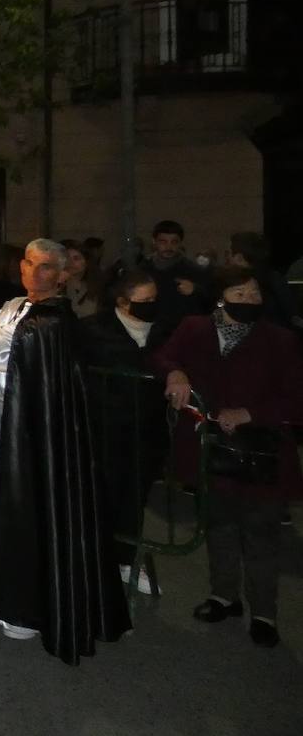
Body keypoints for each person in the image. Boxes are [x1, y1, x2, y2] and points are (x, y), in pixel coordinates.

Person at [0, 239, 130, 663]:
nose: (37, 274)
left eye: (47, 267)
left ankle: (22, 607)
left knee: (25, 511)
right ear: (21, 267)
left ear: (62, 274)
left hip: (33, 433)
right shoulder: (15, 306)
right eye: (31, 265)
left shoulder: (51, 321)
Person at [154, 266, 303, 648]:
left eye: (255, 294)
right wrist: (175, 374)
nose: (250, 301)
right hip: (211, 449)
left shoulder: (280, 339)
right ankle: (224, 596)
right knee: (218, 526)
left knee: (261, 533)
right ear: (221, 298)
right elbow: (165, 357)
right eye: (241, 294)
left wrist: (251, 414)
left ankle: (264, 612)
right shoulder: (194, 328)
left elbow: (296, 396)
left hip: (261, 452)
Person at [79, 269, 169, 593]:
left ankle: (127, 561)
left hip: (147, 431)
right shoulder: (94, 330)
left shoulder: (164, 330)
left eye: (154, 299)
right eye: (144, 300)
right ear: (122, 301)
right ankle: (96, 561)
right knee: (103, 497)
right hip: (106, 430)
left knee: (134, 498)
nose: (151, 305)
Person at [146, 220, 213, 332]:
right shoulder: (143, 269)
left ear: (180, 243)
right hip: (148, 331)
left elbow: (209, 302)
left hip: (181, 333)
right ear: (154, 242)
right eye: (163, 242)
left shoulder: (194, 271)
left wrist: (195, 290)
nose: (169, 247)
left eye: (174, 242)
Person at [61, 239, 101, 319]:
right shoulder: (56, 285)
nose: (70, 263)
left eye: (76, 258)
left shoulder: (99, 285)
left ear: (86, 261)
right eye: (67, 258)